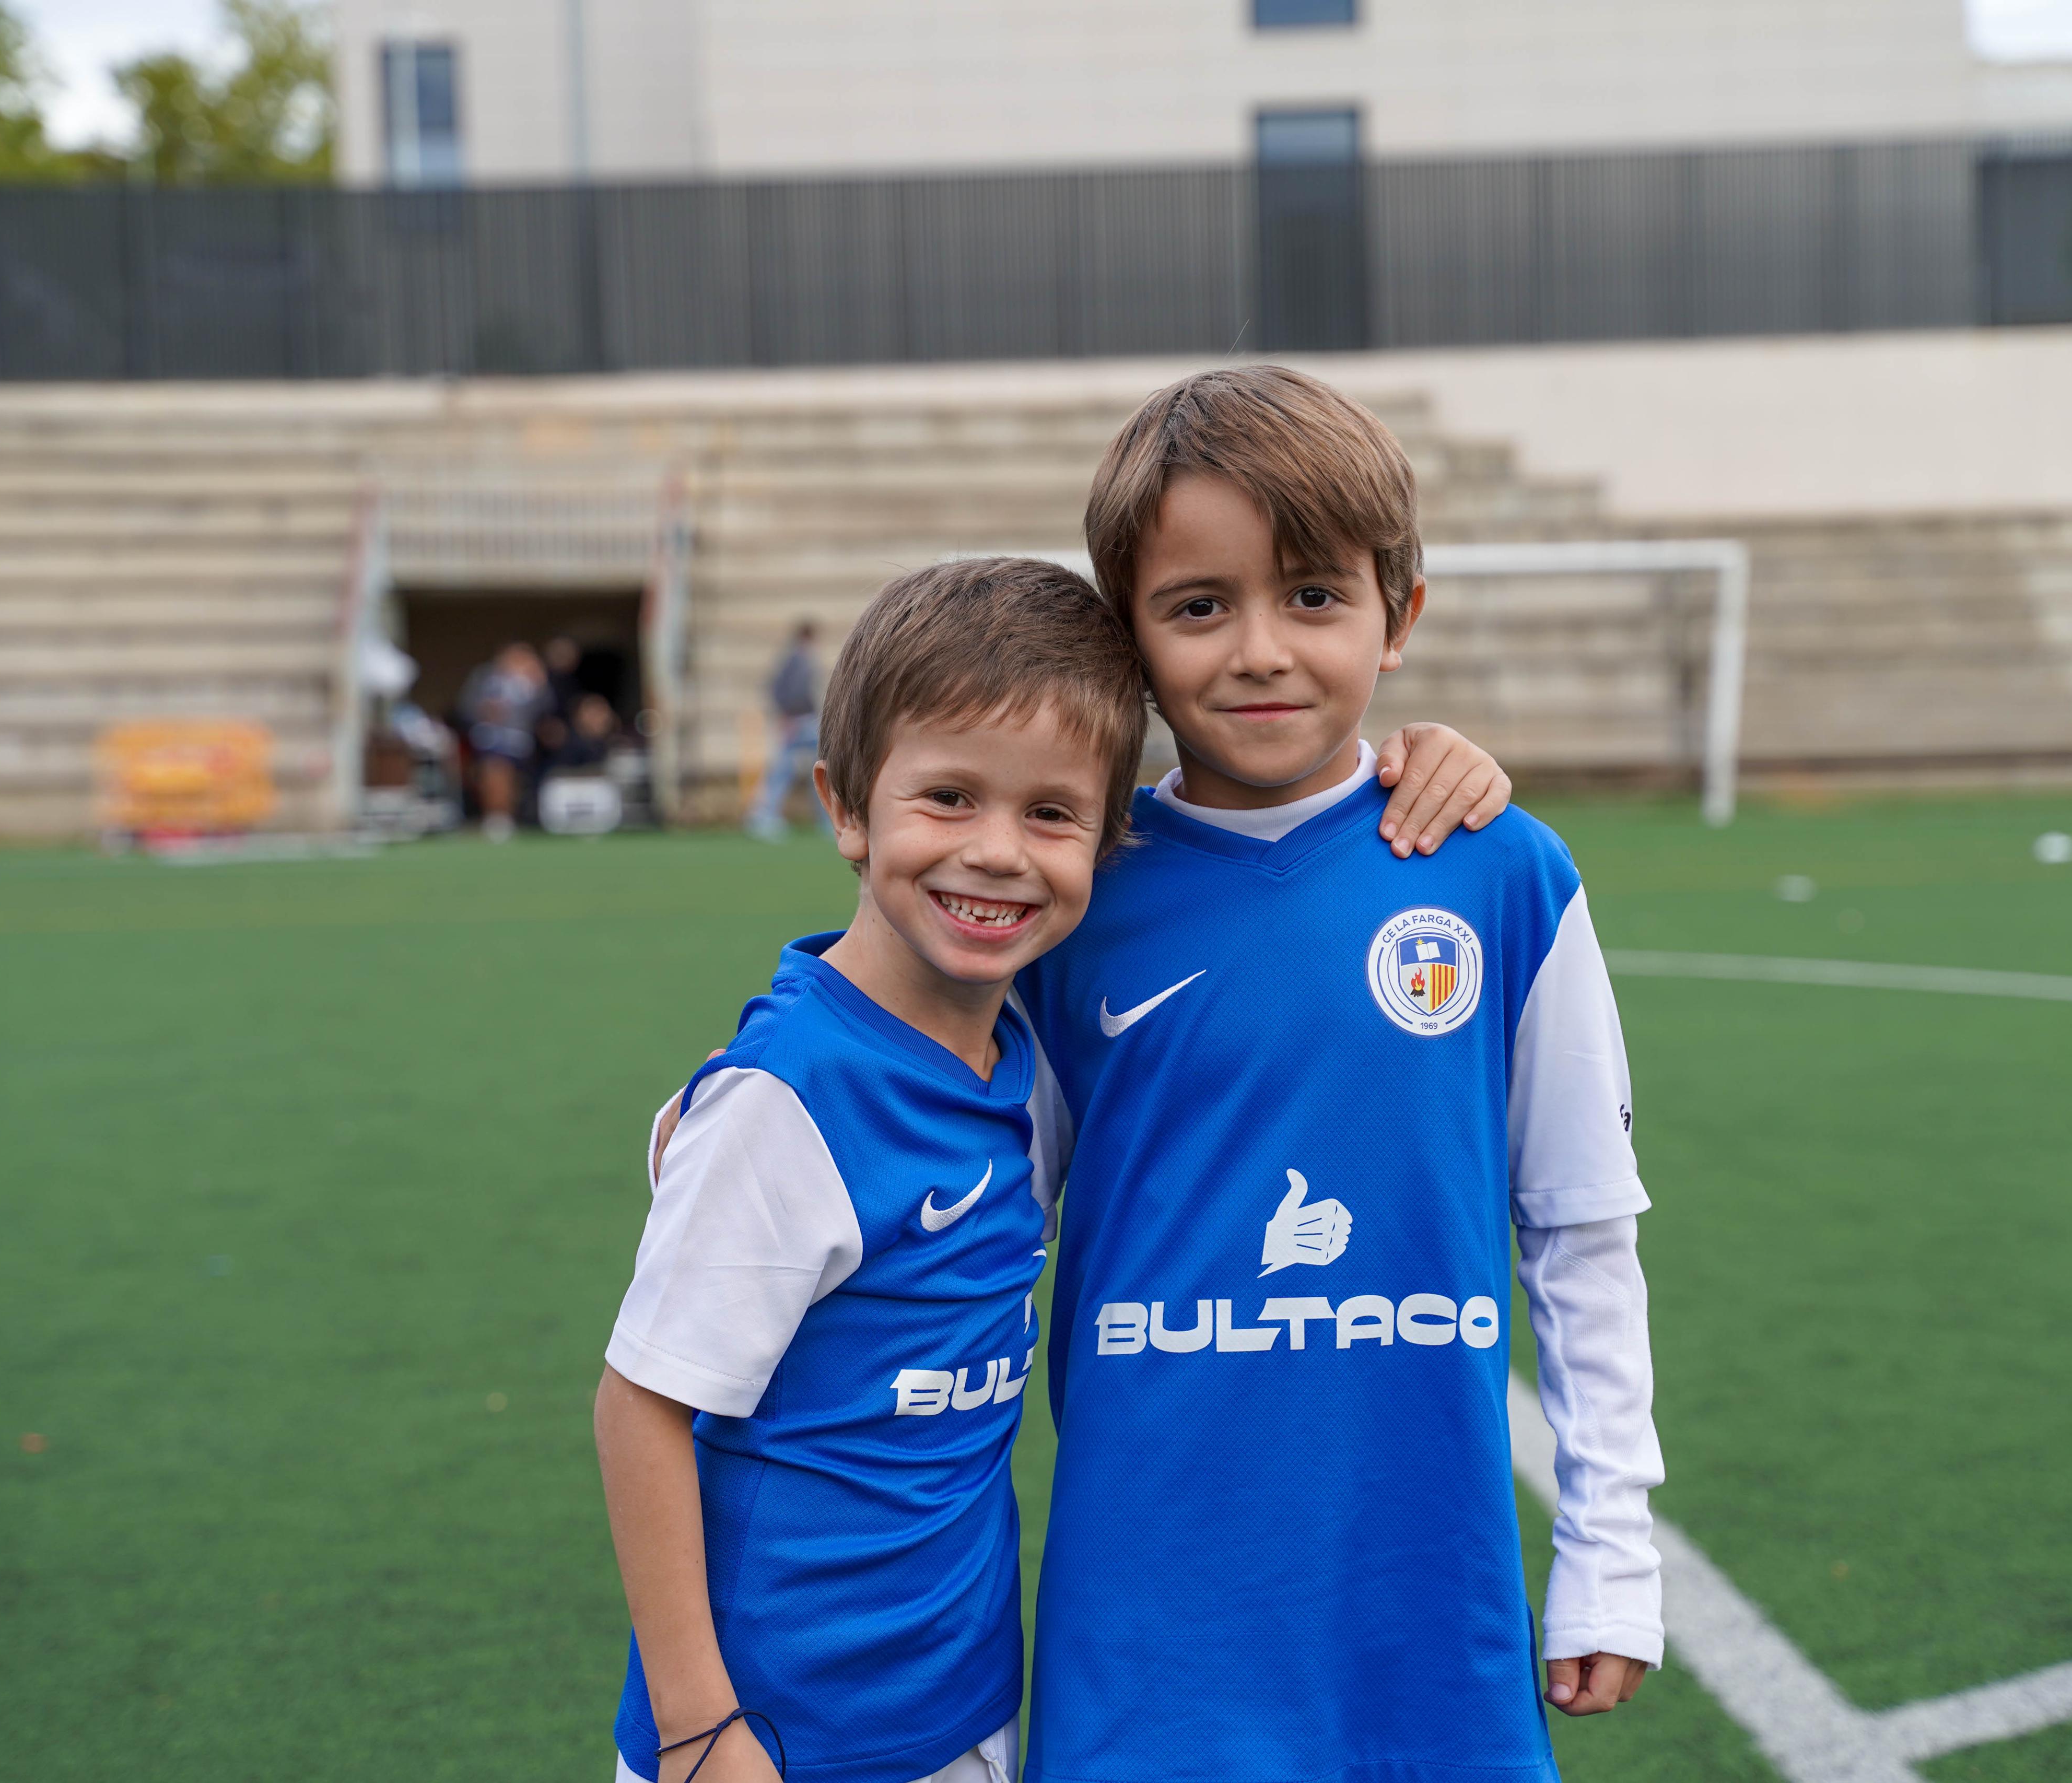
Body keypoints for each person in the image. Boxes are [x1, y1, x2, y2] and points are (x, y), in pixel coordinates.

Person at [1014, 367, 1663, 1783]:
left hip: (1422, 1606)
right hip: (1150, 1620)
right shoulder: (1072, 898)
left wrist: (1612, 1548)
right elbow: (957, 1203)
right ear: (1127, 628)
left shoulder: (1505, 874)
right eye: (1199, 605)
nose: (1260, 650)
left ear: (1400, 614)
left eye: (1315, 596)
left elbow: (1581, 1229)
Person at [594, 558, 1144, 1783]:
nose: (996, 851)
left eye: (1051, 813)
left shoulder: (1028, 1060)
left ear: (1108, 840)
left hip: (954, 1705)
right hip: (770, 1741)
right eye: (947, 795)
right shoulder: (789, 1100)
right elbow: (640, 1406)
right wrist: (697, 1728)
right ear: (846, 808)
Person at [459, 641, 552, 841]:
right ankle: (496, 817)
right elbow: (466, 706)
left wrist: (538, 681)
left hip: (520, 740)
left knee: (513, 781)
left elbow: (544, 708)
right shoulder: (485, 677)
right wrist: (484, 710)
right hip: (490, 737)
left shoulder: (533, 680)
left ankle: (507, 815)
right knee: (495, 773)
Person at [745, 619, 821, 838]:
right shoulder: (799, 659)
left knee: (808, 768)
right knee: (788, 769)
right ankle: (763, 814)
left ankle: (824, 818)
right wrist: (788, 716)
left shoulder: (792, 659)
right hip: (800, 721)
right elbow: (792, 692)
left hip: (802, 720)